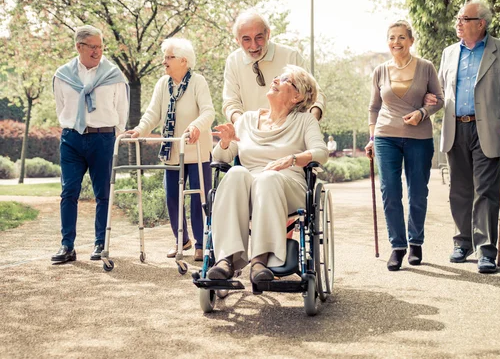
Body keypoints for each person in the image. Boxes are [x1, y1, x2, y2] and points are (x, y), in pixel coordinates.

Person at [207, 65, 328, 283]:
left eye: (284, 79)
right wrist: (225, 143)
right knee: (235, 173)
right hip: (250, 186)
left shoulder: (304, 121)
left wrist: (292, 159)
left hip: (287, 185)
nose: (275, 80)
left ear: (297, 96)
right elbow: (222, 158)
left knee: (268, 177)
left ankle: (260, 261)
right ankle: (225, 259)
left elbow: (321, 152)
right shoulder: (245, 120)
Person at [438, 0, 500, 273]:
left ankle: (486, 250)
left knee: (486, 192)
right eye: (458, 18)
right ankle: (462, 242)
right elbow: (444, 90)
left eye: (464, 19)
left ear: (481, 23)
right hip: (456, 128)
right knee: (459, 190)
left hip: (489, 129)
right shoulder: (449, 53)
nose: (458, 22)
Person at [125, 38, 215, 261]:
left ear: (184, 60)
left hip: (196, 150)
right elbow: (153, 113)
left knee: (198, 198)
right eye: (164, 57)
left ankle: (201, 244)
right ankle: (181, 240)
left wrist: (195, 126)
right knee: (172, 197)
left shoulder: (198, 82)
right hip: (172, 150)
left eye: (169, 57)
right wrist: (139, 130)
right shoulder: (162, 84)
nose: (164, 61)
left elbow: (208, 112)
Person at [365, 20, 444, 271]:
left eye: (401, 37)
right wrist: (371, 138)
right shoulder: (380, 71)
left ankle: (416, 242)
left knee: (418, 192)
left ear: (411, 40)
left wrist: (422, 112)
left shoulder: (425, 67)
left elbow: (439, 100)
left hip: (418, 137)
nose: (396, 42)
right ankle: (398, 247)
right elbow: (374, 107)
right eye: (391, 38)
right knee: (390, 192)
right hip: (385, 136)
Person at [51, 25, 129, 263]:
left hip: (103, 138)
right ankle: (67, 246)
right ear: (79, 47)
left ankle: (100, 244)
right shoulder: (63, 75)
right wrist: (72, 128)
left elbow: (122, 110)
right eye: (92, 47)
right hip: (72, 139)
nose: (97, 52)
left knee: (103, 193)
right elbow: (60, 107)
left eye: (100, 47)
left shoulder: (114, 75)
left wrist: (113, 136)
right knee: (68, 192)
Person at [222, 10, 326, 124]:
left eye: (259, 37)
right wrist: (245, 127)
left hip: (287, 133)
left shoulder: (291, 56)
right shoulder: (233, 61)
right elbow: (231, 103)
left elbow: (314, 95)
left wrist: (311, 122)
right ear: (237, 40)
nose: (254, 45)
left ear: (268, 34)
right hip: (249, 134)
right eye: (246, 39)